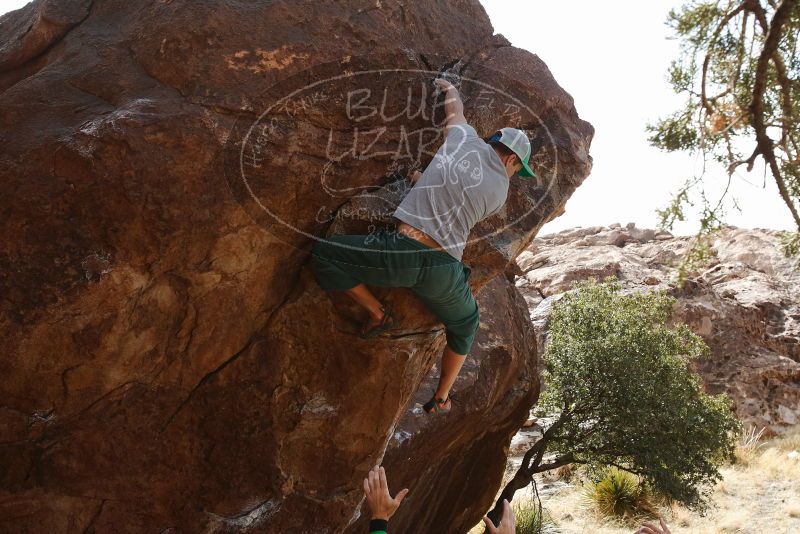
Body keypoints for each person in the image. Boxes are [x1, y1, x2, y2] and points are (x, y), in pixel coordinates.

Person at [311, 77, 536, 414]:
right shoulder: (500, 193)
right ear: (511, 161)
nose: (515, 174)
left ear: (494, 144)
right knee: (466, 324)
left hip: (404, 253)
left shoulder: (463, 139)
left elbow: (454, 113)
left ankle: (376, 312)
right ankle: (442, 395)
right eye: (519, 169)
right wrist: (423, 182)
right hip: (445, 270)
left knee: (324, 255)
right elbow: (457, 197)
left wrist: (449, 88)